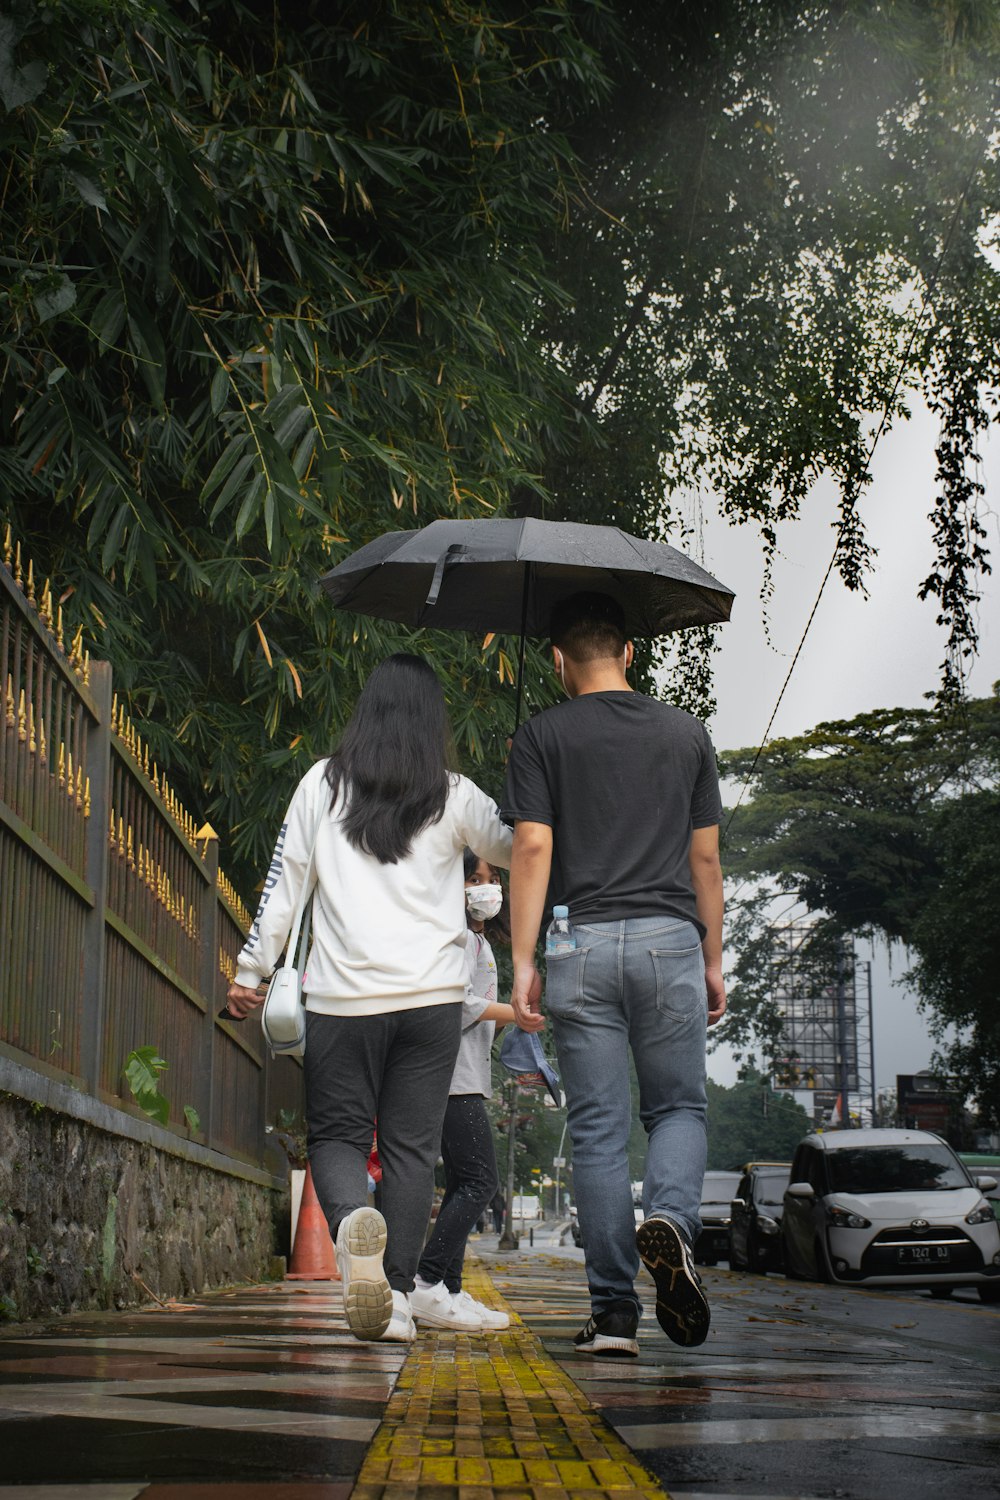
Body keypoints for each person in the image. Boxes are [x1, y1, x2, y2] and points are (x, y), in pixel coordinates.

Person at [225, 654, 512, 1344]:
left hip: (342, 999)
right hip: (432, 1001)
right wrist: (520, 788)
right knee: (414, 1150)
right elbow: (517, 846)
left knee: (338, 1137)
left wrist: (250, 970)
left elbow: (282, 886)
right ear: (431, 720)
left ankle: (356, 1219)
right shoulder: (455, 793)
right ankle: (396, 1299)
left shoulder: (319, 785)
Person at [502, 592, 725, 1358]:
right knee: (676, 1111)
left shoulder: (539, 736)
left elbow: (531, 850)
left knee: (597, 1129)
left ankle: (615, 1318)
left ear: (558, 660)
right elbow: (705, 861)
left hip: (578, 946)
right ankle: (670, 1221)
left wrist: (522, 960)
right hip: (669, 942)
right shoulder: (686, 733)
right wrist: (713, 956)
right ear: (630, 652)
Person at [409, 850, 515, 1332]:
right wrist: (516, 1014)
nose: (484, 888)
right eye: (474, 878)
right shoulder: (454, 939)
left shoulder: (477, 940)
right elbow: (455, 1002)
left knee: (461, 1183)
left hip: (464, 1074)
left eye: (491, 880)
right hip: (451, 1077)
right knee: (480, 1182)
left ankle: (448, 1290)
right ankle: (427, 1282)